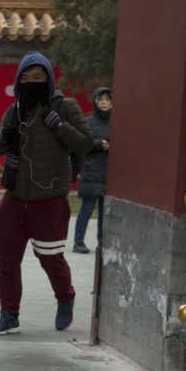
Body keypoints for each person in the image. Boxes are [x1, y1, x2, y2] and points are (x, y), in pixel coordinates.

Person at [0, 52, 95, 336]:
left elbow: (85, 143)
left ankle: (65, 297)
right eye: (26, 77)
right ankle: (9, 314)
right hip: (14, 196)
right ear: (18, 80)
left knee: (50, 257)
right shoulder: (15, 110)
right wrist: (5, 133)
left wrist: (58, 125)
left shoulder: (66, 107)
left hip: (49, 198)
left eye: (38, 77)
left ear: (48, 79)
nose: (32, 82)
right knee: (7, 259)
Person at [73, 86, 113, 253]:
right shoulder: (88, 122)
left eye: (107, 100)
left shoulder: (117, 122)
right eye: (100, 100)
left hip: (109, 173)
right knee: (87, 208)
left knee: (105, 212)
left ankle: (102, 243)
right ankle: (78, 242)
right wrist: (99, 144)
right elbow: (82, 143)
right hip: (91, 171)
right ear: (95, 102)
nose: (104, 103)